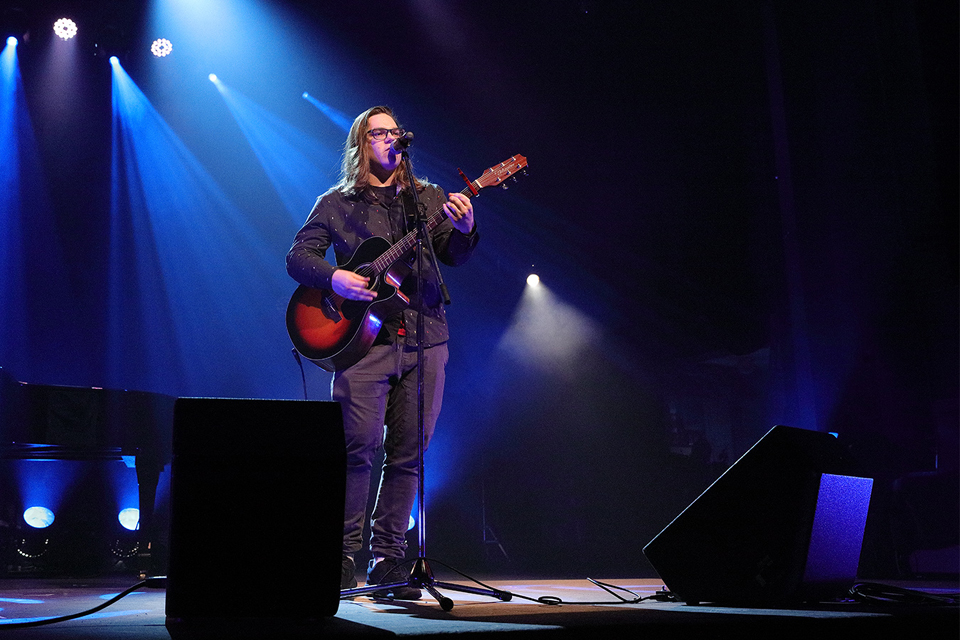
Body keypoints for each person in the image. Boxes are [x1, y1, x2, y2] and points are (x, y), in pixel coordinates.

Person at [286, 106, 478, 599]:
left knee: (410, 455)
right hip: (359, 344)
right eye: (379, 133)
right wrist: (335, 278)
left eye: (395, 132)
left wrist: (465, 226)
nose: (390, 139)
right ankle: (344, 556)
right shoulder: (337, 203)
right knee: (356, 451)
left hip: (424, 336)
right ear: (361, 143)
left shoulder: (428, 198)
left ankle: (390, 559)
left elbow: (453, 255)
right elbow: (297, 256)